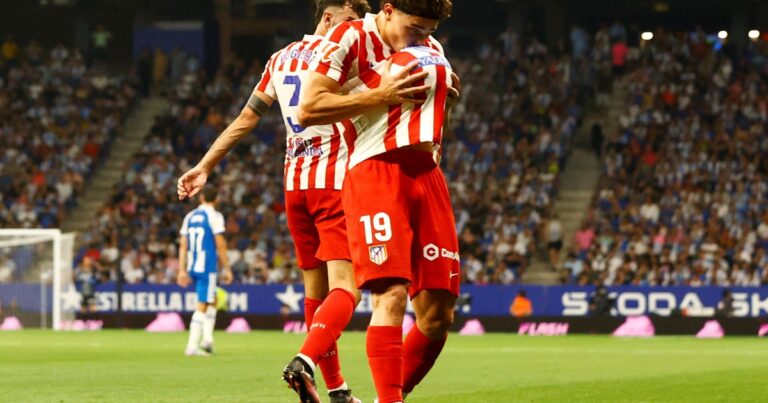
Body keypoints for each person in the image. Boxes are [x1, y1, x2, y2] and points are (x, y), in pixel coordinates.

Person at [176, 2, 371, 401]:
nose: (355, 32)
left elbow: (247, 118)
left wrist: (204, 166)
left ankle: (336, 389)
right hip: (333, 182)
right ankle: (304, 360)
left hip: (294, 186)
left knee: (315, 292)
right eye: (351, 22)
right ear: (332, 15)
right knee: (347, 290)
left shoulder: (280, 59)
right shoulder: (345, 53)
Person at [299, 2, 456, 402]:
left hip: (426, 174)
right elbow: (309, 108)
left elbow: (436, 126)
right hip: (375, 170)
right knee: (391, 295)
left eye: (428, 29)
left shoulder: (431, 50)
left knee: (438, 317)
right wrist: (381, 94)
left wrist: (446, 102)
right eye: (415, 27)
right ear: (387, 11)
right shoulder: (348, 37)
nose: (422, 36)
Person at [177, 187, 233, 356]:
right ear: (216, 200)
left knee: (212, 299)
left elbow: (183, 245)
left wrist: (181, 270)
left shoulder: (190, 216)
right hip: (207, 266)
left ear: (201, 198)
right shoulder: (214, 216)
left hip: (192, 265)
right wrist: (227, 268)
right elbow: (220, 244)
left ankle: (207, 340)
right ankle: (192, 347)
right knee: (202, 305)